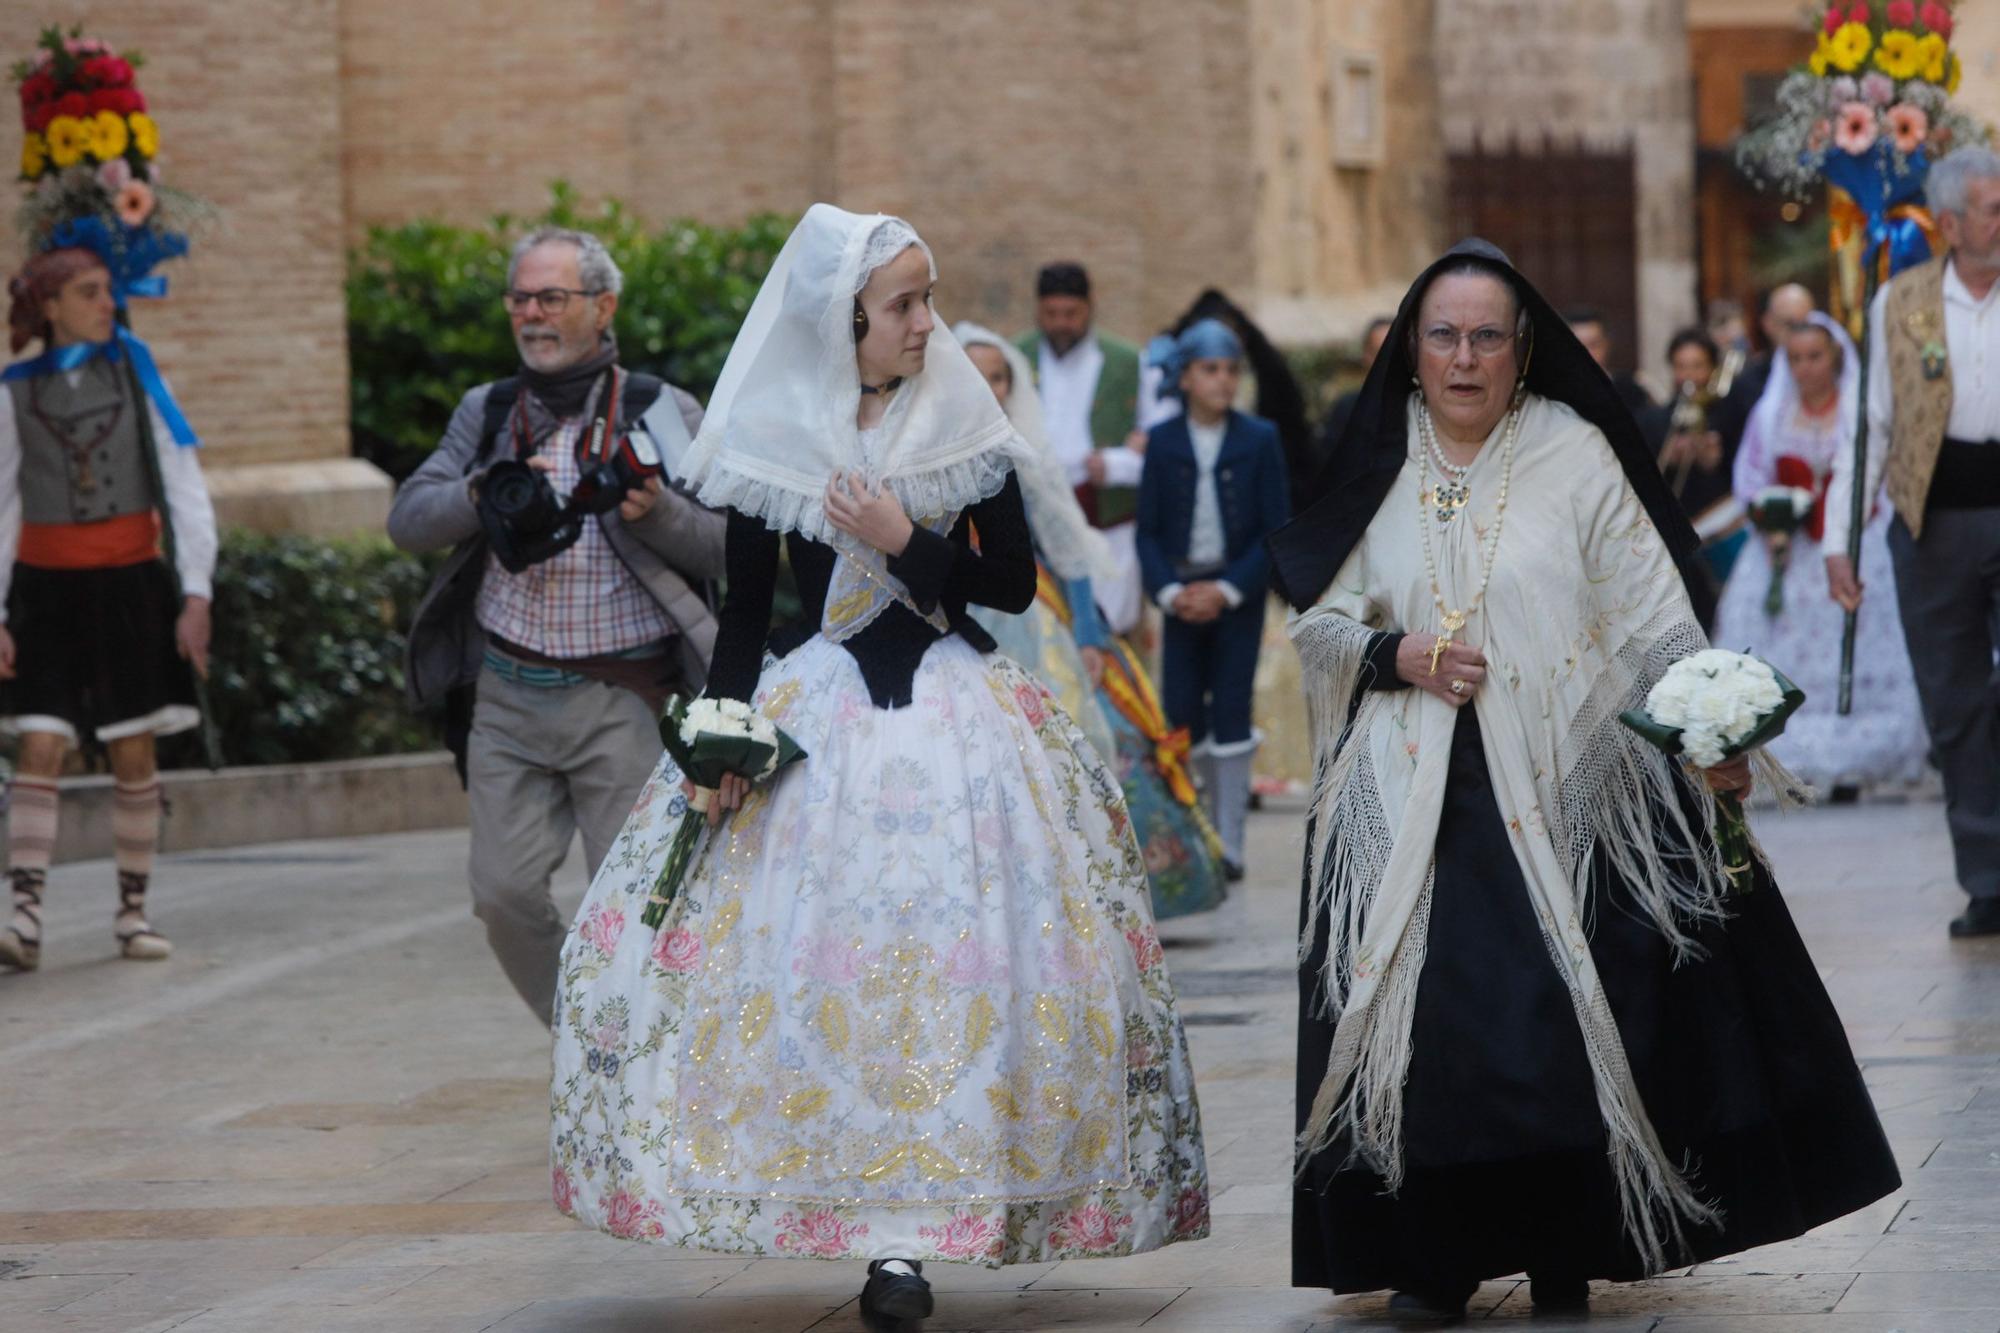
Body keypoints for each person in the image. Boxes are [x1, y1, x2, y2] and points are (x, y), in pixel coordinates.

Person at [549, 206, 1210, 1324]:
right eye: (904, 303)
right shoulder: (778, 433)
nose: (923, 321)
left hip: (960, 722)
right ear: (846, 314)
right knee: (826, 974)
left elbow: (1006, 588)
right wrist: (717, 745)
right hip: (818, 725)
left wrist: (908, 541)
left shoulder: (964, 419)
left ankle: (940, 1209)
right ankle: (867, 1226)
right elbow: (748, 613)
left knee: (964, 964)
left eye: (926, 298)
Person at [1270, 239, 1898, 1320]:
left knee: (1551, 1030)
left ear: (1523, 354)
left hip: (1567, 785)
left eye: (1486, 337)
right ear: (1410, 354)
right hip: (1414, 789)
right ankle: (1431, 1259)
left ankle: (1561, 1248)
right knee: (1436, 1041)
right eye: (1441, 335)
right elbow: (1319, 622)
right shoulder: (1377, 459)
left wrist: (1707, 718)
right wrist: (1398, 654)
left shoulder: (1571, 451)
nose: (1462, 357)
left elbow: (1652, 610)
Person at [387, 227, 725, 1023]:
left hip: (623, 697)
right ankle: (581, 1036)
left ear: (603, 307)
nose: (532, 314)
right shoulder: (489, 411)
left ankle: (625, 1064)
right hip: (506, 696)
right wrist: (480, 490)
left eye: (552, 297)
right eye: (521, 298)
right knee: (501, 896)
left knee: (633, 908)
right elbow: (406, 518)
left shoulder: (660, 408)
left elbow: (735, 544)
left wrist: (656, 512)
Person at [957, 321, 1227, 918]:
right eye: (977, 374)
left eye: (999, 376)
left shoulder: (1024, 453)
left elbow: (1069, 550)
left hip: (1028, 607)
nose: (989, 386)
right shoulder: (925, 449)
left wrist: (1086, 633)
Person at [0, 247, 216, 971]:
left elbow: (183, 483)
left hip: (130, 585)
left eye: (106, 292)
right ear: (50, 307)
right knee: (39, 740)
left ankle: (133, 912)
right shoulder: (13, 389)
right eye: (88, 293)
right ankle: (24, 917)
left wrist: (196, 592)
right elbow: (1, 507)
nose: (106, 304)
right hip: (46, 588)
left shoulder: (137, 371)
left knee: (132, 744)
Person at [1825, 146, 2000, 939]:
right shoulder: (1902, 299)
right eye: (1992, 208)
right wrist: (1840, 540)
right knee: (1956, 706)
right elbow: (1869, 427)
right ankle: (1989, 878)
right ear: (1953, 223)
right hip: (1933, 520)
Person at [1713, 314, 1927, 797]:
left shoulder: (1859, 411)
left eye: (1816, 356)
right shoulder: (1771, 415)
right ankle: (1788, 759)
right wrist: (1770, 520)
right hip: (1786, 555)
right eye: (1796, 358)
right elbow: (1749, 477)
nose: (1806, 367)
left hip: (1853, 548)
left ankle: (1860, 759)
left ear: (1835, 357)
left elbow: (1887, 478)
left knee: (1854, 643)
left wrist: (1860, 526)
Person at [1137, 319, 1290, 880]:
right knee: (1181, 710)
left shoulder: (1259, 438)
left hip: (1234, 597)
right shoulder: (1163, 440)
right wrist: (1173, 592)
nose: (1222, 381)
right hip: (1182, 599)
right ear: (1183, 378)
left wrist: (1227, 589)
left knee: (1231, 708)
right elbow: (1147, 532)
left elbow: (1274, 529)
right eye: (1210, 370)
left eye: (1231, 370)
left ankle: (1232, 837)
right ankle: (1197, 825)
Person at [1015, 262, 1147, 631]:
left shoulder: (1128, 362)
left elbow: (1158, 449)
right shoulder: (1012, 357)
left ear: (1091, 307)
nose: (1061, 323)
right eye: (1051, 313)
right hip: (1034, 518)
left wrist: (1116, 463)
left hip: (1105, 520)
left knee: (1110, 629)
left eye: (1071, 313)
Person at [1642, 327, 1746, 598]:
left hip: (1724, 530)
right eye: (1681, 366)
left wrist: (1712, 458)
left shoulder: (1731, 414)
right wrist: (1671, 455)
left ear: (1712, 368)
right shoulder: (1656, 420)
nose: (1689, 376)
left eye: (1698, 366)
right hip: (1681, 541)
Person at [1317, 315, 1394, 489]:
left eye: (1393, 352)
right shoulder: (1346, 410)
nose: (1387, 361)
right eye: (1378, 353)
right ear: (1366, 356)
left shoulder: (1424, 409)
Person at [1564, 304, 1654, 416]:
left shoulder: (1630, 390)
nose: (1586, 353)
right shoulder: (1557, 395)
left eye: (1593, 345)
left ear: (1607, 345)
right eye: (1578, 346)